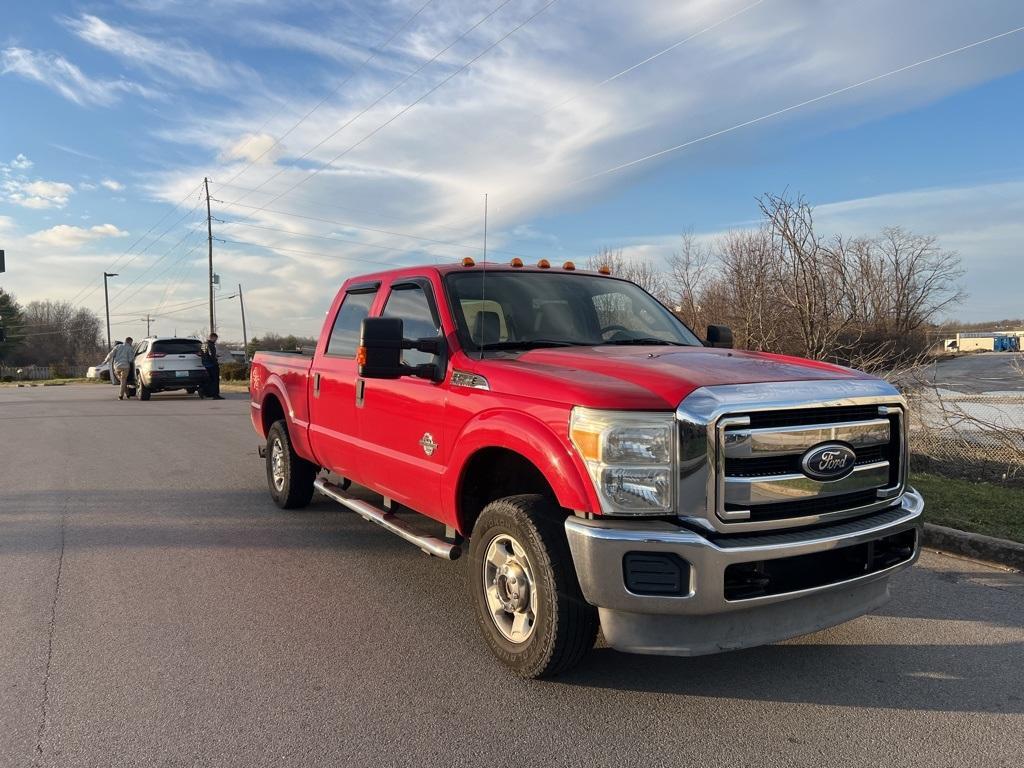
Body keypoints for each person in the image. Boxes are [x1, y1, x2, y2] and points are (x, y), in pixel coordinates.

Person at [201, 332, 223, 399]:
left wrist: (214, 356)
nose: (216, 340)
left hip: (206, 364)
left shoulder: (204, 344)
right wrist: (215, 360)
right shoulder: (210, 345)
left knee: (209, 380)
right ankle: (215, 395)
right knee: (215, 380)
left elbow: (203, 354)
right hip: (212, 364)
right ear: (212, 337)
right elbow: (211, 355)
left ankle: (205, 392)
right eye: (215, 338)